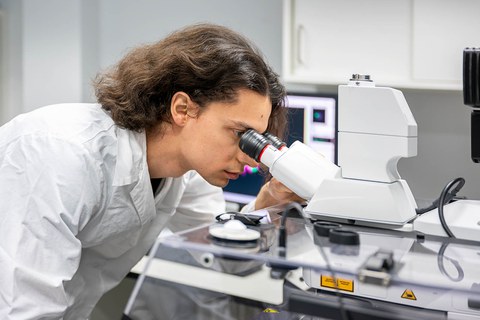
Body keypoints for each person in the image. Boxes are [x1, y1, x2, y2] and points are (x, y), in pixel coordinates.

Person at [0, 23, 301, 319]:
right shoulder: (61, 155)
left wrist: (268, 203)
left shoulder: (188, 171)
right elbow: (25, 310)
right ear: (183, 109)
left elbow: (221, 258)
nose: (250, 160)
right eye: (240, 134)